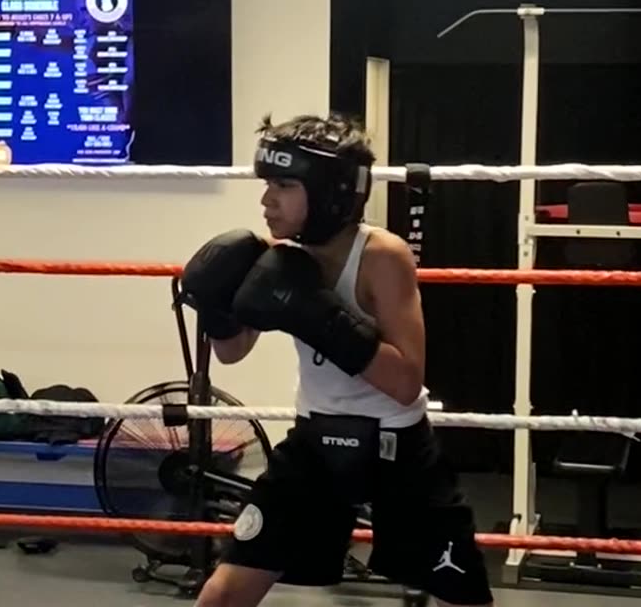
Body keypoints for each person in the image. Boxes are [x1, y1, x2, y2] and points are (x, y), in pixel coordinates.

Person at [179, 114, 494, 607]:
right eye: (267, 185)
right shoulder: (277, 260)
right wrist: (217, 308)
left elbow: (406, 381)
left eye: (283, 186)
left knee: (463, 599)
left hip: (397, 445)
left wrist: (317, 316)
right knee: (220, 596)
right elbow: (233, 352)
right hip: (315, 441)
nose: (266, 201)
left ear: (328, 191)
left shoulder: (381, 256)